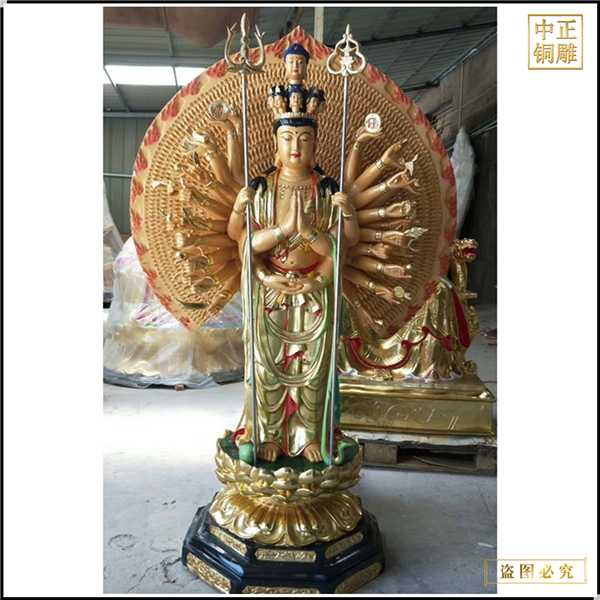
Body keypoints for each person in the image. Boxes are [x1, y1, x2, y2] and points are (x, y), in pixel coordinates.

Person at [226, 47, 358, 463]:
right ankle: (268, 435)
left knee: (314, 371)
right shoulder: (262, 187)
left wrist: (313, 247)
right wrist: (278, 241)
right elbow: (242, 241)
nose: (296, 147)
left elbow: (342, 245)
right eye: (287, 139)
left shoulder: (327, 190)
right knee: (267, 368)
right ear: (275, 143)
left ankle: (309, 437)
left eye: (304, 139)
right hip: (269, 289)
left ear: (316, 143)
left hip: (315, 291)